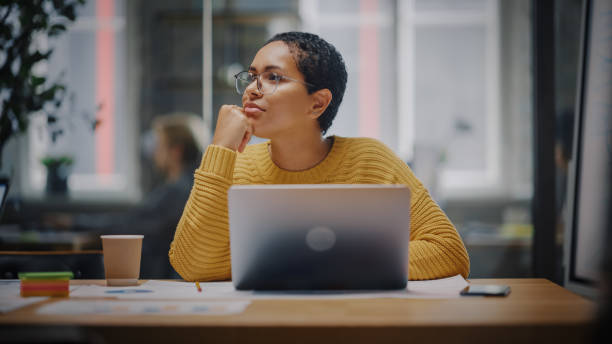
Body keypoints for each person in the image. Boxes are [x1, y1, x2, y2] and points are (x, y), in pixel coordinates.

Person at [169, 32, 469, 282]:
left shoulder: (371, 160)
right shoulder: (236, 166)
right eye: (251, 77)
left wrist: (316, 263)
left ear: (317, 104)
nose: (250, 90)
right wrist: (220, 147)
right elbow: (192, 266)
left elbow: (449, 252)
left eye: (272, 77)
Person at [48, 113, 208, 278]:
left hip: (158, 276)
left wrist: (76, 223)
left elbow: (131, 223)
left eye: (159, 145)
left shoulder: (179, 191)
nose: (154, 152)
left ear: (176, 151)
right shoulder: (184, 187)